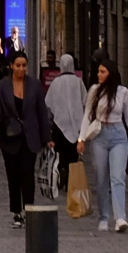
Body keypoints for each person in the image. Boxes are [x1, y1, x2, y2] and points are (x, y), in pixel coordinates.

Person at [0, 50, 54, 225]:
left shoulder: (35, 85)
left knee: (27, 174)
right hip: (9, 137)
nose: (21, 69)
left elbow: (42, 112)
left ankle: (29, 210)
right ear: (11, 66)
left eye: (24, 66)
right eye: (18, 65)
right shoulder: (1, 87)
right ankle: (16, 211)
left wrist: (47, 138)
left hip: (30, 137)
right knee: (13, 175)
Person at [77, 59, 128, 232]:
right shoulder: (94, 91)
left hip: (119, 135)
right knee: (101, 177)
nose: (99, 75)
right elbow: (87, 116)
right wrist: (81, 138)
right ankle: (103, 217)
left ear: (111, 73)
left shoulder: (123, 93)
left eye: (102, 71)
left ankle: (120, 217)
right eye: (98, 71)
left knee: (118, 177)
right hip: (99, 135)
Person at [45, 53, 84, 183]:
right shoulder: (78, 81)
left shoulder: (56, 82)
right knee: (73, 152)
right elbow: (85, 100)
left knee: (60, 151)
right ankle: (71, 175)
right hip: (76, 123)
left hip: (59, 123)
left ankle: (62, 169)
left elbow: (49, 103)